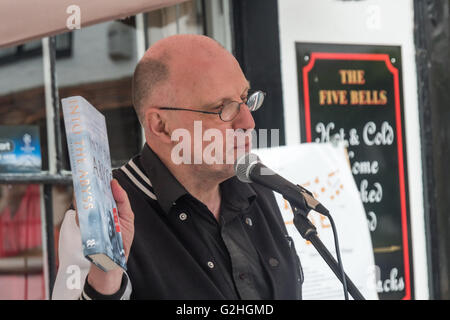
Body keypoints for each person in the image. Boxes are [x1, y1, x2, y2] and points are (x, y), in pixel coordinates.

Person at [52, 34, 303, 300]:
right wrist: (106, 275)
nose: (247, 122)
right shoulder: (108, 210)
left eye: (245, 98)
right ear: (160, 125)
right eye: (222, 108)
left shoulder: (257, 188)